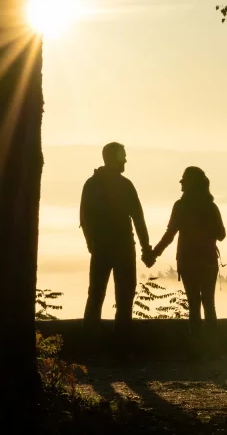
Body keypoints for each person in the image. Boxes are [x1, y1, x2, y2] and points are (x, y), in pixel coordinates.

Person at [80, 142, 152, 347]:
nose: (126, 161)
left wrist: (91, 242)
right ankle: (122, 342)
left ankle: (90, 342)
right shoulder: (124, 185)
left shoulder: (92, 184)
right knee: (124, 295)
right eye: (123, 157)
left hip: (102, 247)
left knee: (96, 293)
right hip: (121, 248)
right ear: (113, 159)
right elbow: (138, 218)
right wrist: (146, 249)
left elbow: (85, 217)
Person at [150, 166, 225, 357]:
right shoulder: (211, 206)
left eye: (183, 180)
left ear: (190, 183)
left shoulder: (180, 206)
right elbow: (222, 235)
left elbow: (170, 234)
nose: (181, 183)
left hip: (188, 260)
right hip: (208, 260)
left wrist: (154, 253)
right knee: (209, 303)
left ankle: (196, 349)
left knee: (193, 304)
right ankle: (213, 347)